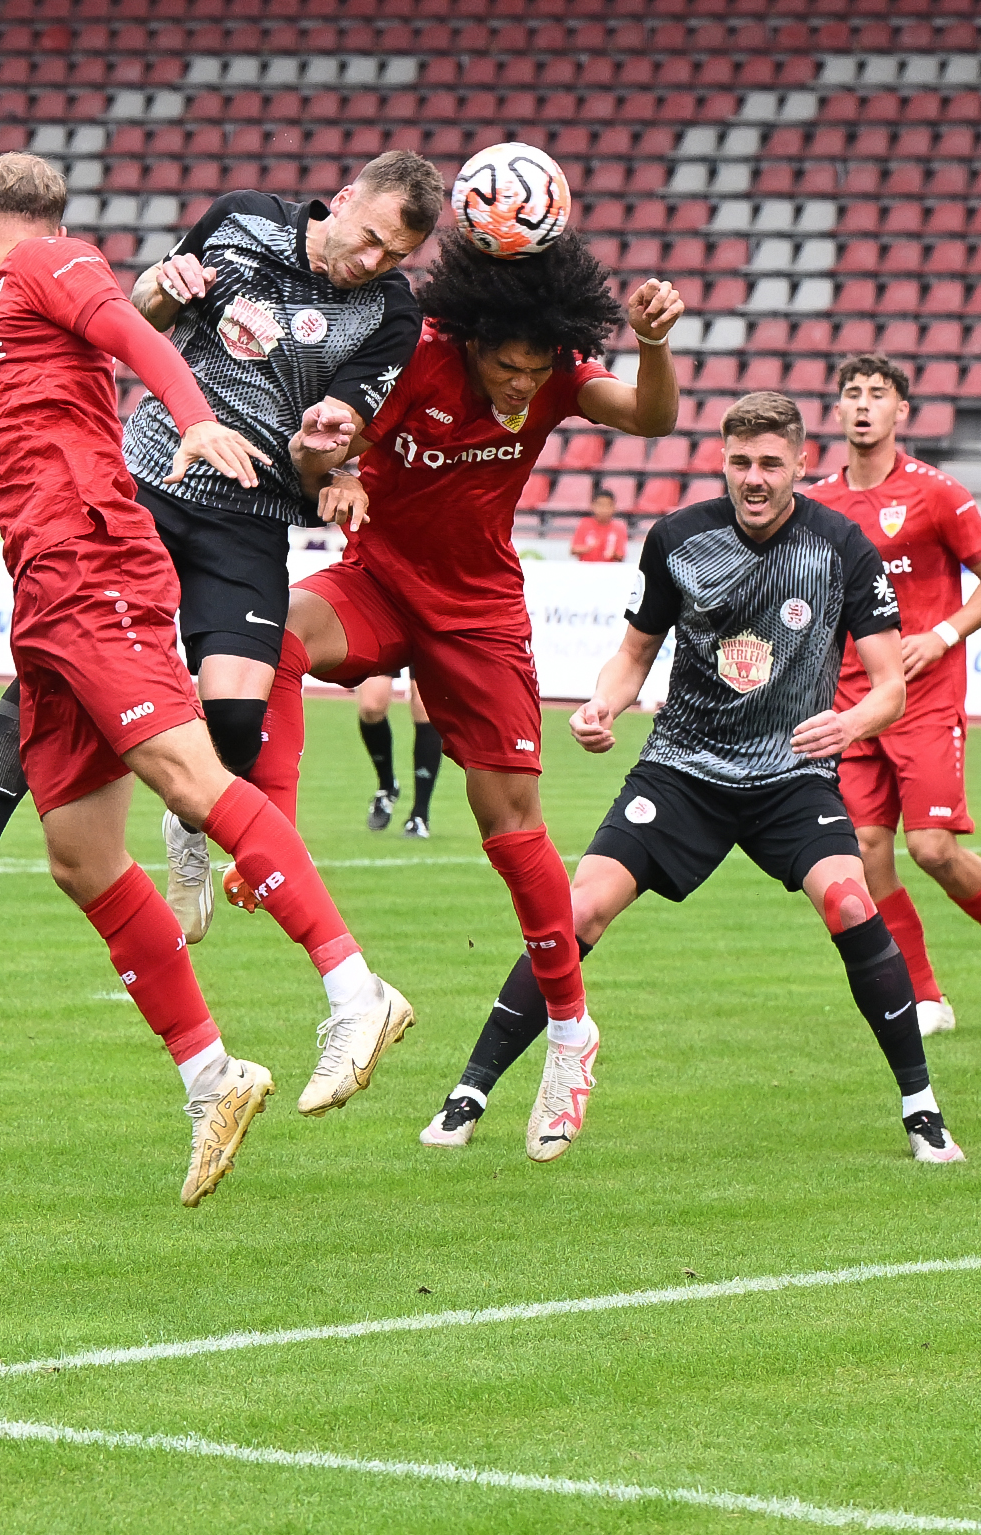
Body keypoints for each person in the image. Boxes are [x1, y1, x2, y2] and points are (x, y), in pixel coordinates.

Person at [0, 154, 411, 1203]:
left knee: (188, 773)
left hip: (91, 555)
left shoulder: (43, 263)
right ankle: (213, 1073)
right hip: (43, 588)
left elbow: (127, 321)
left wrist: (192, 409)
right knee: (79, 855)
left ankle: (356, 985)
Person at [0, 153, 444, 942]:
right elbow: (144, 311)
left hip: (253, 511)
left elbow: (333, 432)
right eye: (369, 239)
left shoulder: (392, 313)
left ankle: (184, 830)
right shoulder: (241, 219)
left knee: (233, 718)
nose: (374, 263)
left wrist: (330, 451)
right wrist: (164, 285)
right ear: (341, 201)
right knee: (57, 658)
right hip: (148, 485)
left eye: (394, 256)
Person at [238, 228, 684, 1156]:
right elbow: (319, 450)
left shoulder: (555, 378)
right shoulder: (414, 357)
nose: (520, 385)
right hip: (380, 579)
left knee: (508, 823)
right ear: (469, 339)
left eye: (534, 370)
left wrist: (650, 342)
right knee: (269, 634)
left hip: (478, 612)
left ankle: (569, 1030)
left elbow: (651, 420)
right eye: (504, 367)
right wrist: (339, 471)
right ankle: (260, 828)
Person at [536, 390, 962, 1162]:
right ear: (721, 463)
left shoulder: (841, 545)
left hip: (791, 775)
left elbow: (890, 683)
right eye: (741, 461)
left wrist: (852, 721)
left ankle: (922, 1106)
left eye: (771, 462)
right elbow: (632, 655)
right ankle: (468, 1095)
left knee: (848, 895)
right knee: (577, 906)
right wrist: (601, 704)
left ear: (801, 463)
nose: (755, 476)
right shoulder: (677, 538)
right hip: (685, 769)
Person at [808, 352, 981, 1036]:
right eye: (851, 393)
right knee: (865, 851)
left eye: (876, 394)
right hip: (853, 703)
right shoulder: (819, 504)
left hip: (926, 696)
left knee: (934, 847)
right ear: (837, 410)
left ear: (900, 411)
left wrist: (942, 635)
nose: (862, 404)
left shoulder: (936, 492)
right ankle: (926, 996)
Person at [353, 672, 436, 836]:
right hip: (387, 644)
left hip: (430, 645)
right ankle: (387, 786)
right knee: (371, 707)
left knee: (424, 705)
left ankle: (420, 814)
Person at [570, 488, 629, 562]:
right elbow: (573, 549)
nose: (604, 509)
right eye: (600, 505)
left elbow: (621, 556)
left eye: (608, 505)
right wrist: (589, 548)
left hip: (610, 570)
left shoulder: (619, 527)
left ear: (614, 507)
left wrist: (613, 554)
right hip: (586, 568)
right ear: (593, 506)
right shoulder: (584, 523)